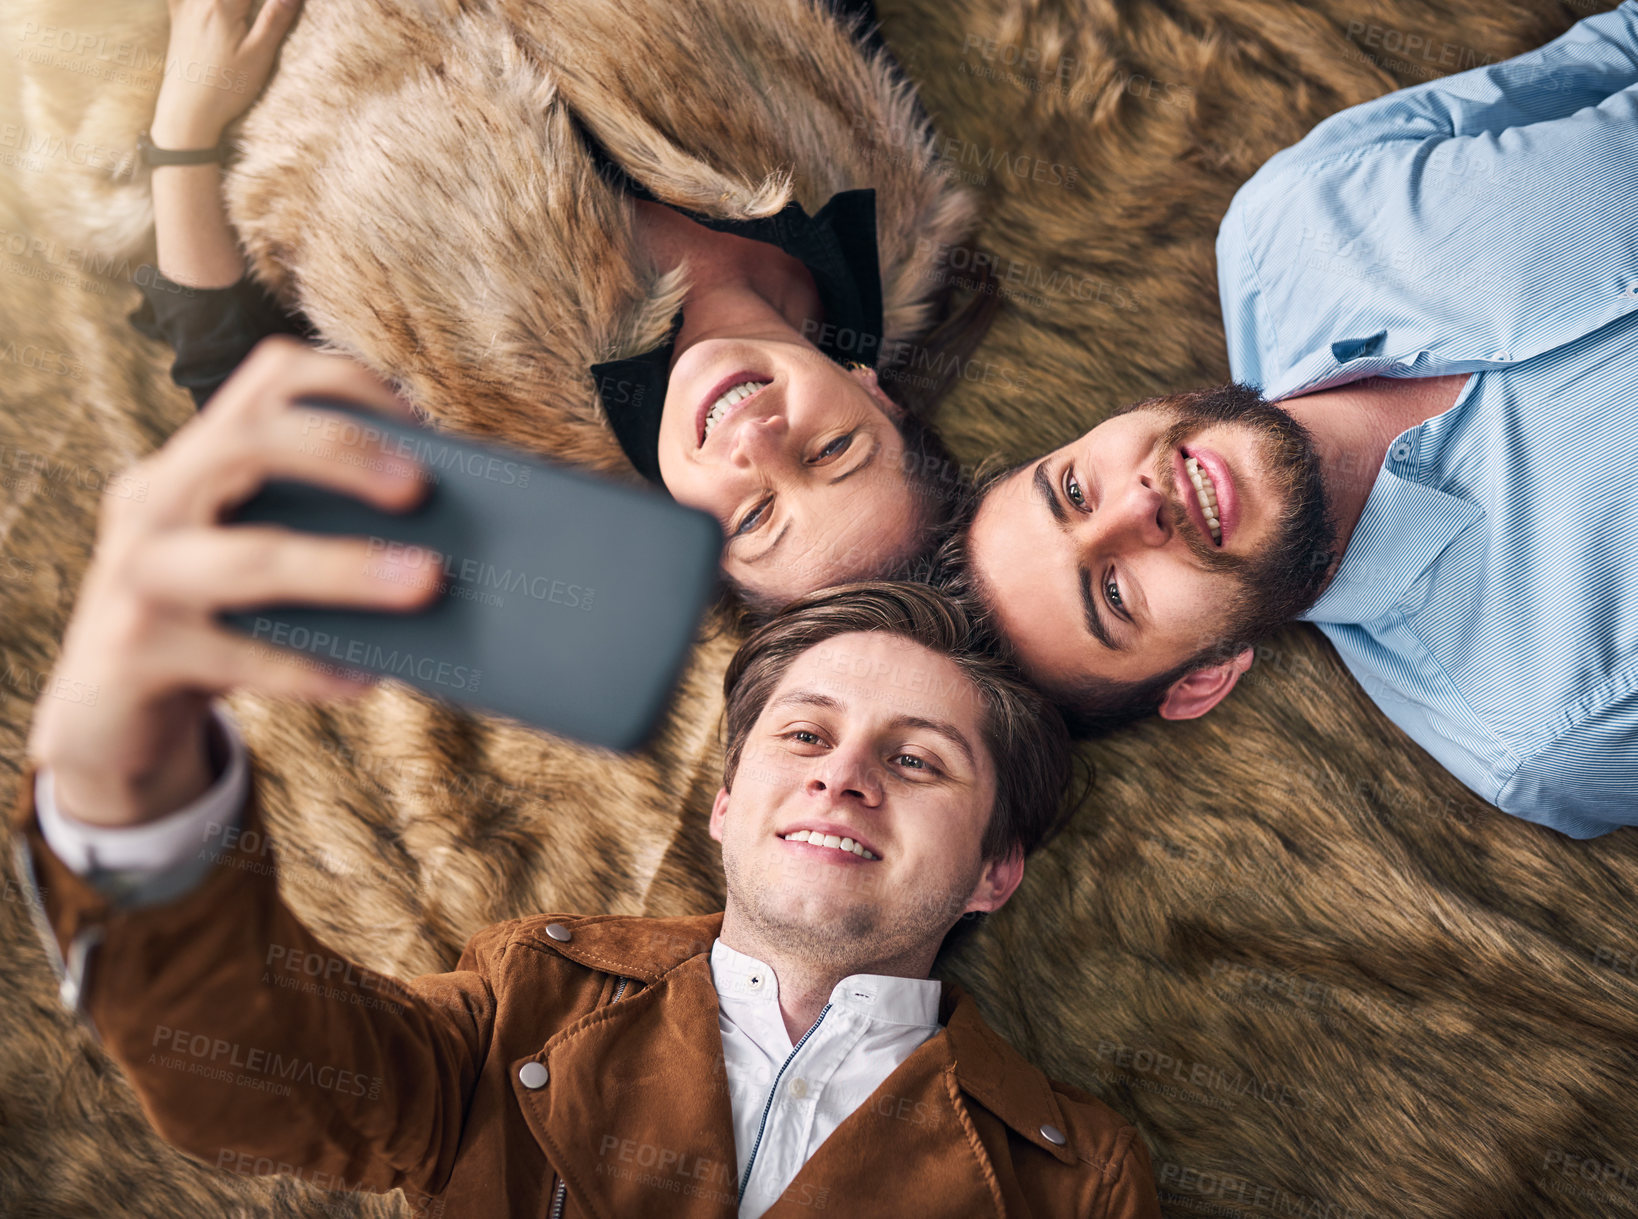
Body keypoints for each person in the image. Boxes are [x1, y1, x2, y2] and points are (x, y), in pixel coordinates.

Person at [12, 345, 1160, 1219]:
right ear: (722, 804)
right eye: (803, 737)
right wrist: (123, 756)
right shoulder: (526, 1004)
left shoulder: (1077, 1177)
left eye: (916, 760)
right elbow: (248, 1073)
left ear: (995, 870)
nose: (844, 777)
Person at [952, 1, 1638, 836]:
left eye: (1073, 490)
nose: (1137, 508)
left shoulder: (1287, 220)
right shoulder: (1544, 727)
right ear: (1206, 675)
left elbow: (1610, 54)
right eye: (1116, 591)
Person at [135, 0, 986, 610]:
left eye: (756, 513)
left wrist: (185, 122)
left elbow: (233, 388)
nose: (759, 440)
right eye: (834, 449)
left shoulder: (514, 450)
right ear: (874, 388)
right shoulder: (870, 178)